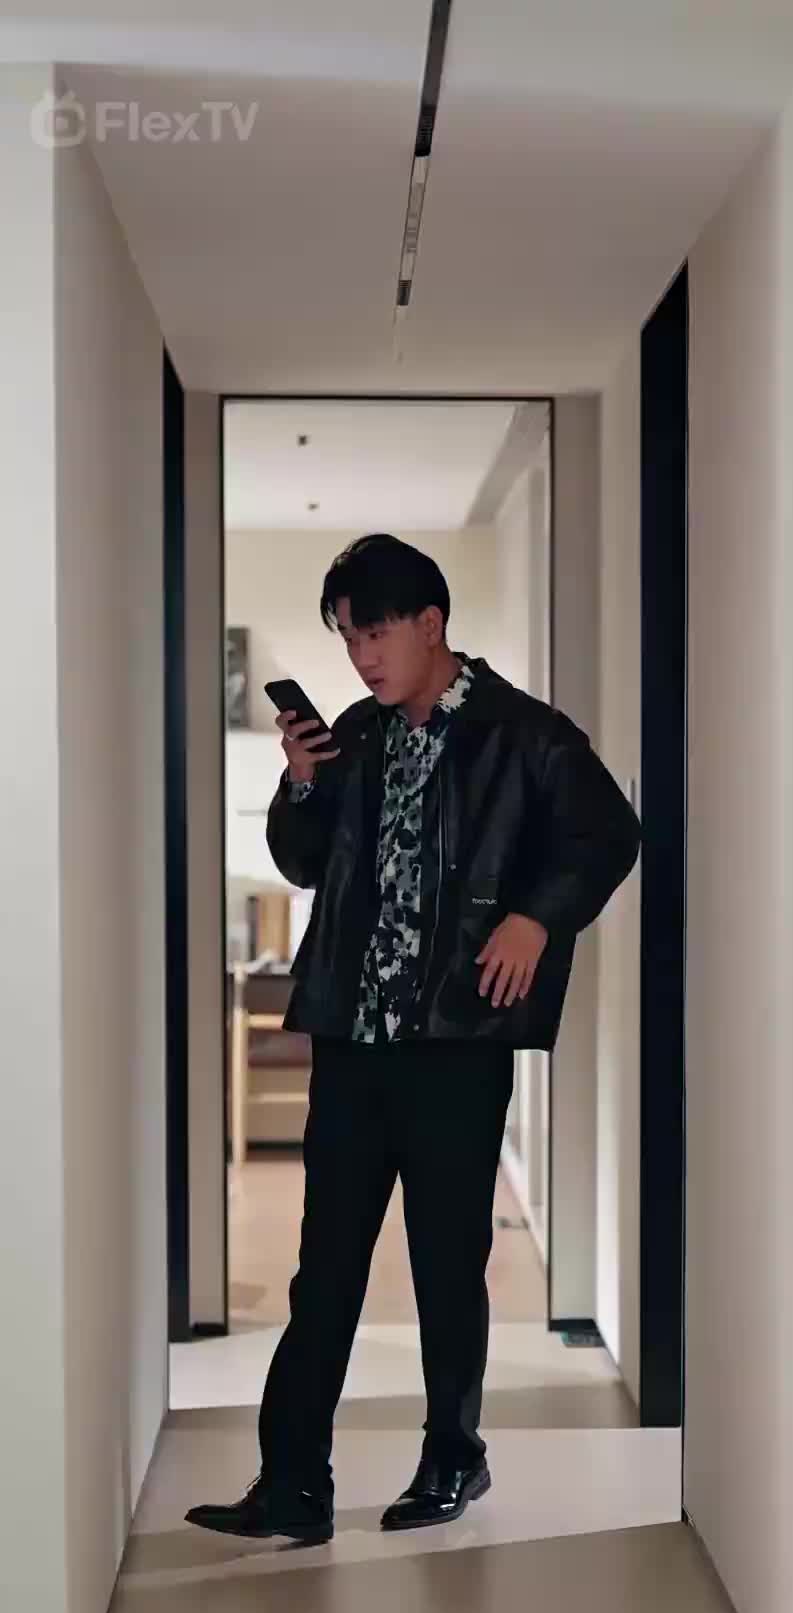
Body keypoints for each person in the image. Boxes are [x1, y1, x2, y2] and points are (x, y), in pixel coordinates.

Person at [186, 533, 640, 1545]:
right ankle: (292, 1483)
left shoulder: (525, 735)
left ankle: (453, 1455)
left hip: (455, 1044)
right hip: (353, 1042)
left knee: (445, 1264)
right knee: (324, 1272)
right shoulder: (357, 733)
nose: (362, 658)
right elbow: (306, 865)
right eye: (349, 639)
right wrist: (302, 782)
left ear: (431, 624)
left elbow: (610, 833)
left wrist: (535, 918)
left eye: (376, 634)